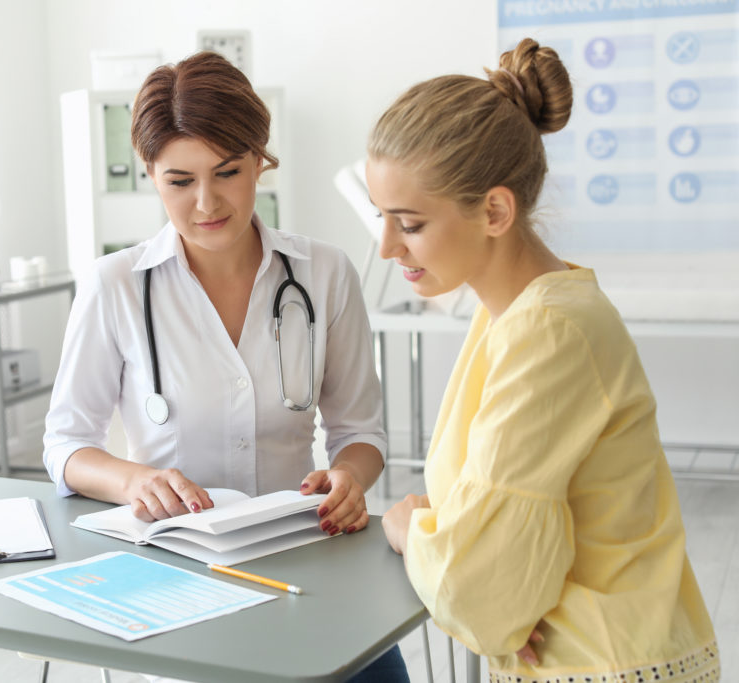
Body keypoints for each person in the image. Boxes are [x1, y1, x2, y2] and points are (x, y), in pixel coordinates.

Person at [43, 51, 407, 682]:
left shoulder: (324, 273)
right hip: (175, 578)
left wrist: (348, 479)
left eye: (228, 172)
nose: (206, 202)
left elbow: (361, 433)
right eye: (179, 181)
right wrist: (134, 481)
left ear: (260, 161)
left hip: (304, 561)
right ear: (150, 175)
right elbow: (67, 445)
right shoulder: (116, 286)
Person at [369, 38, 719, 682]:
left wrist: (407, 527)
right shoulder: (514, 315)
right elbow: (489, 568)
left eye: (409, 223)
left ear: (495, 211)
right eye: (381, 218)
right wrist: (458, 547)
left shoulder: (549, 333)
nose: (388, 245)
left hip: (605, 664)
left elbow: (483, 592)